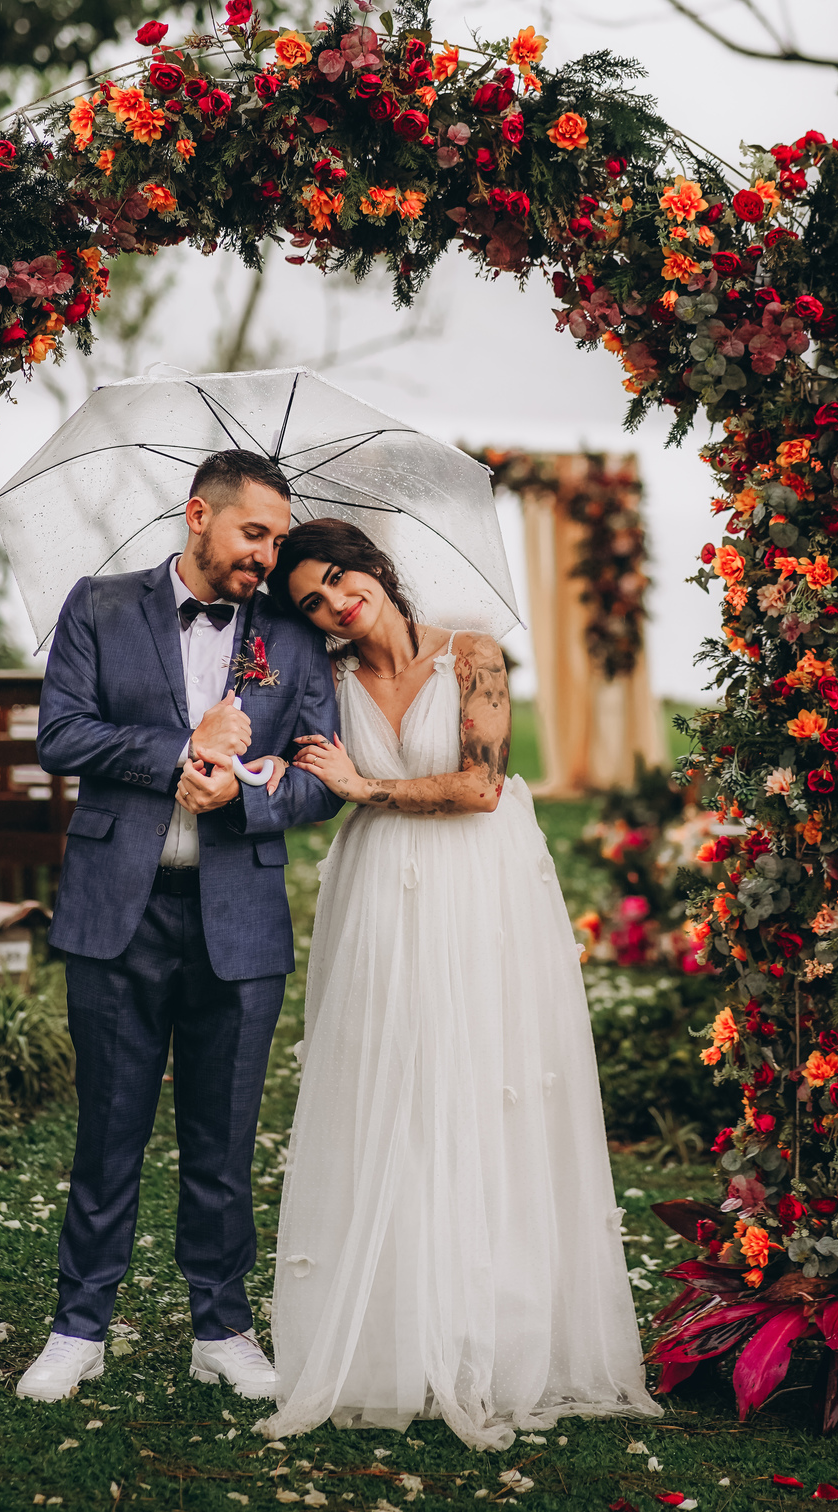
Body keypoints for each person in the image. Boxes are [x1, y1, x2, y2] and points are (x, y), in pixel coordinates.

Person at [255, 518, 662, 1448]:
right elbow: (305, 777)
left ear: (372, 565)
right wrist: (271, 760)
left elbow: (481, 788)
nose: (334, 603)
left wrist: (365, 789)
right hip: (376, 897)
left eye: (339, 578)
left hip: (480, 888)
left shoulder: (472, 654)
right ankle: (393, 1333)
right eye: (311, 601)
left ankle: (491, 1331)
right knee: (388, 1088)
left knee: (483, 1084)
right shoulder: (324, 679)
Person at [15, 452, 342, 1404]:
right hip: (117, 907)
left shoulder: (292, 634)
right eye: (254, 534)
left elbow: (320, 779)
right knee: (107, 1130)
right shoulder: (99, 605)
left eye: (278, 540)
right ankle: (79, 1328)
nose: (268, 555)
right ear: (199, 515)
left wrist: (244, 795)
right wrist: (178, 753)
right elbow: (60, 734)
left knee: (224, 1137)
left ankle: (222, 1328)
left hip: (238, 917)